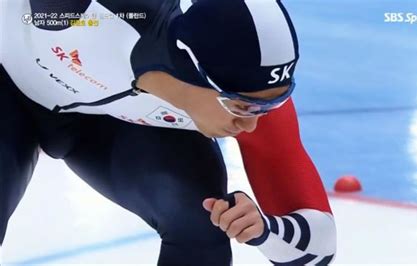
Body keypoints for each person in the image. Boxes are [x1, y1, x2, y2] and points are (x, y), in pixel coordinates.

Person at [0, 0, 337, 264]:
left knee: (200, 220)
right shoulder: (87, 13)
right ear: (194, 70)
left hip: (107, 124)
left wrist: (266, 230)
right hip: (8, 85)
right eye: (242, 106)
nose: (251, 124)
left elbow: (319, 250)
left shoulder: (257, 108)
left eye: (270, 105)